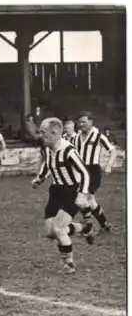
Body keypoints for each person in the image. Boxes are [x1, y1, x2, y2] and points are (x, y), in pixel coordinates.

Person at [31, 118, 93, 274]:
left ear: (55, 133)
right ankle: (83, 228)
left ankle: (69, 264)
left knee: (59, 229)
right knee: (50, 233)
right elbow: (47, 163)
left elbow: (85, 173)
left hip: (71, 191)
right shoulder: (46, 148)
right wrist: (40, 178)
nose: (40, 135)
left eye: (43, 132)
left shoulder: (68, 150)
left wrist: (82, 193)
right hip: (56, 190)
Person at [74, 112, 117, 234]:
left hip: (93, 171)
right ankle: (104, 224)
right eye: (79, 122)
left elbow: (112, 151)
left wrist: (108, 166)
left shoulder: (99, 136)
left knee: (81, 198)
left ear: (91, 121)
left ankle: (89, 228)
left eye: (84, 122)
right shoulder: (76, 137)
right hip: (80, 171)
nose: (81, 124)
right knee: (90, 201)